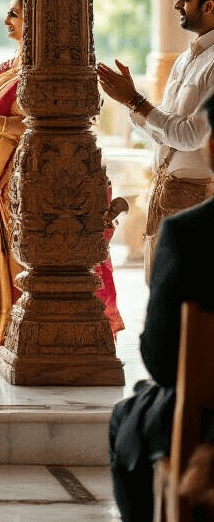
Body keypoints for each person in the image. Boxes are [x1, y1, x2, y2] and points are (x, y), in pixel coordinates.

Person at [0, 0, 123, 351]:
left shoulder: (47, 74)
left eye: (14, 14)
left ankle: (23, 328)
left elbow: (38, 126)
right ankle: (0, 330)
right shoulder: (4, 69)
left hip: (28, 180)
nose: (6, 20)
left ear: (35, 22)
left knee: (25, 253)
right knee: (2, 251)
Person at [108, 96, 214, 522]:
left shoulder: (190, 234)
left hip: (206, 417)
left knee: (127, 417)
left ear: (211, 148)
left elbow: (163, 362)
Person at [98, 0, 214, 282]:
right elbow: (163, 128)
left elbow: (192, 136)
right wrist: (131, 101)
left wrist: (137, 101)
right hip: (165, 194)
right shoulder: (187, 58)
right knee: (159, 290)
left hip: (195, 200)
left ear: (209, 5)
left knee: (185, 297)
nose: (176, 5)